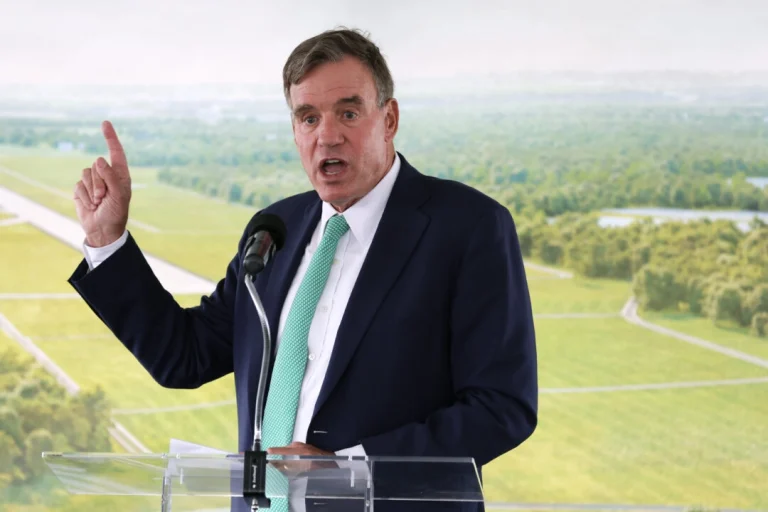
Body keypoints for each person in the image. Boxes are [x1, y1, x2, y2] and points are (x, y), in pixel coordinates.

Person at [69, 28, 538, 511]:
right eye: (308, 117)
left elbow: (501, 408)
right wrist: (107, 240)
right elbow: (184, 356)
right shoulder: (276, 228)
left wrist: (350, 472)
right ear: (295, 130)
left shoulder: (467, 227)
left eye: (348, 113)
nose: (327, 135)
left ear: (389, 119)